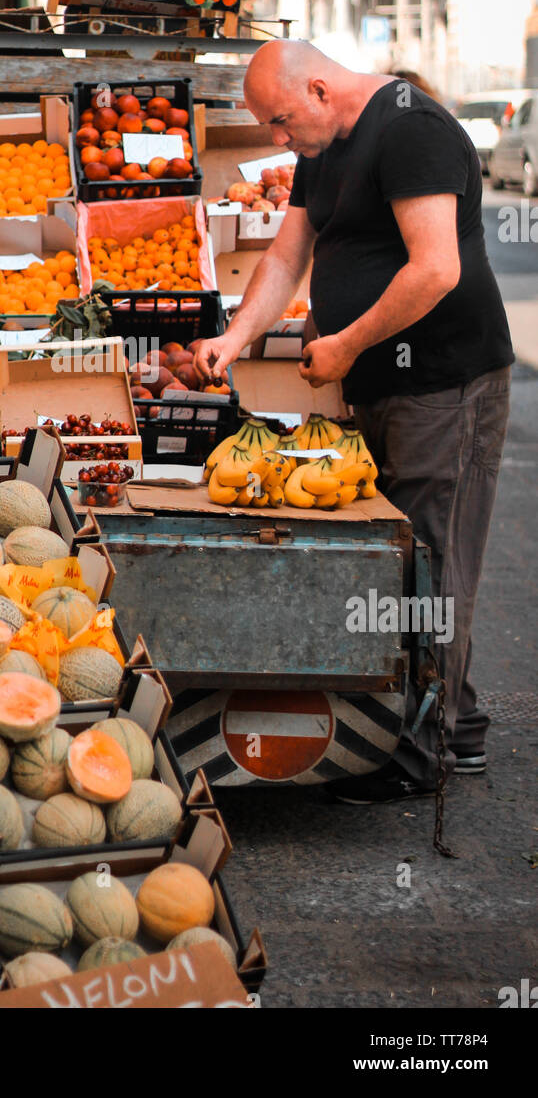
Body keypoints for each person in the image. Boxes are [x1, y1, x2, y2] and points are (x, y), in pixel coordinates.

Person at [196, 40, 513, 804]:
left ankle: (424, 748)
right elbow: (286, 254)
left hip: (445, 382)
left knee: (431, 559)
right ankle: (454, 719)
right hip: (376, 382)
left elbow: (437, 267)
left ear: (317, 86)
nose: (276, 139)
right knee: (392, 555)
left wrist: (345, 342)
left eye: (278, 121)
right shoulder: (325, 139)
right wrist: (236, 338)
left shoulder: (412, 132)